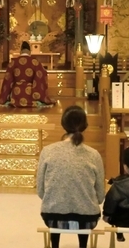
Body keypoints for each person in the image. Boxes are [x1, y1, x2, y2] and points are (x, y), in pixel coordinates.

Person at [36, 105, 105, 248]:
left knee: (55, 208)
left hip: (52, 216)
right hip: (87, 218)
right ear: (85, 125)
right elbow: (100, 196)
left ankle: (54, 244)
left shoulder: (48, 151)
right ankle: (83, 245)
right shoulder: (93, 155)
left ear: (63, 124)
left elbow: (41, 192)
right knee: (84, 209)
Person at [0, 41, 56, 107]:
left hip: (16, 94)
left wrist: (4, 98)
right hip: (30, 93)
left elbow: (7, 81)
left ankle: (15, 102)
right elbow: (41, 76)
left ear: (21, 51)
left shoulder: (13, 62)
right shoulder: (35, 62)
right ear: (29, 51)